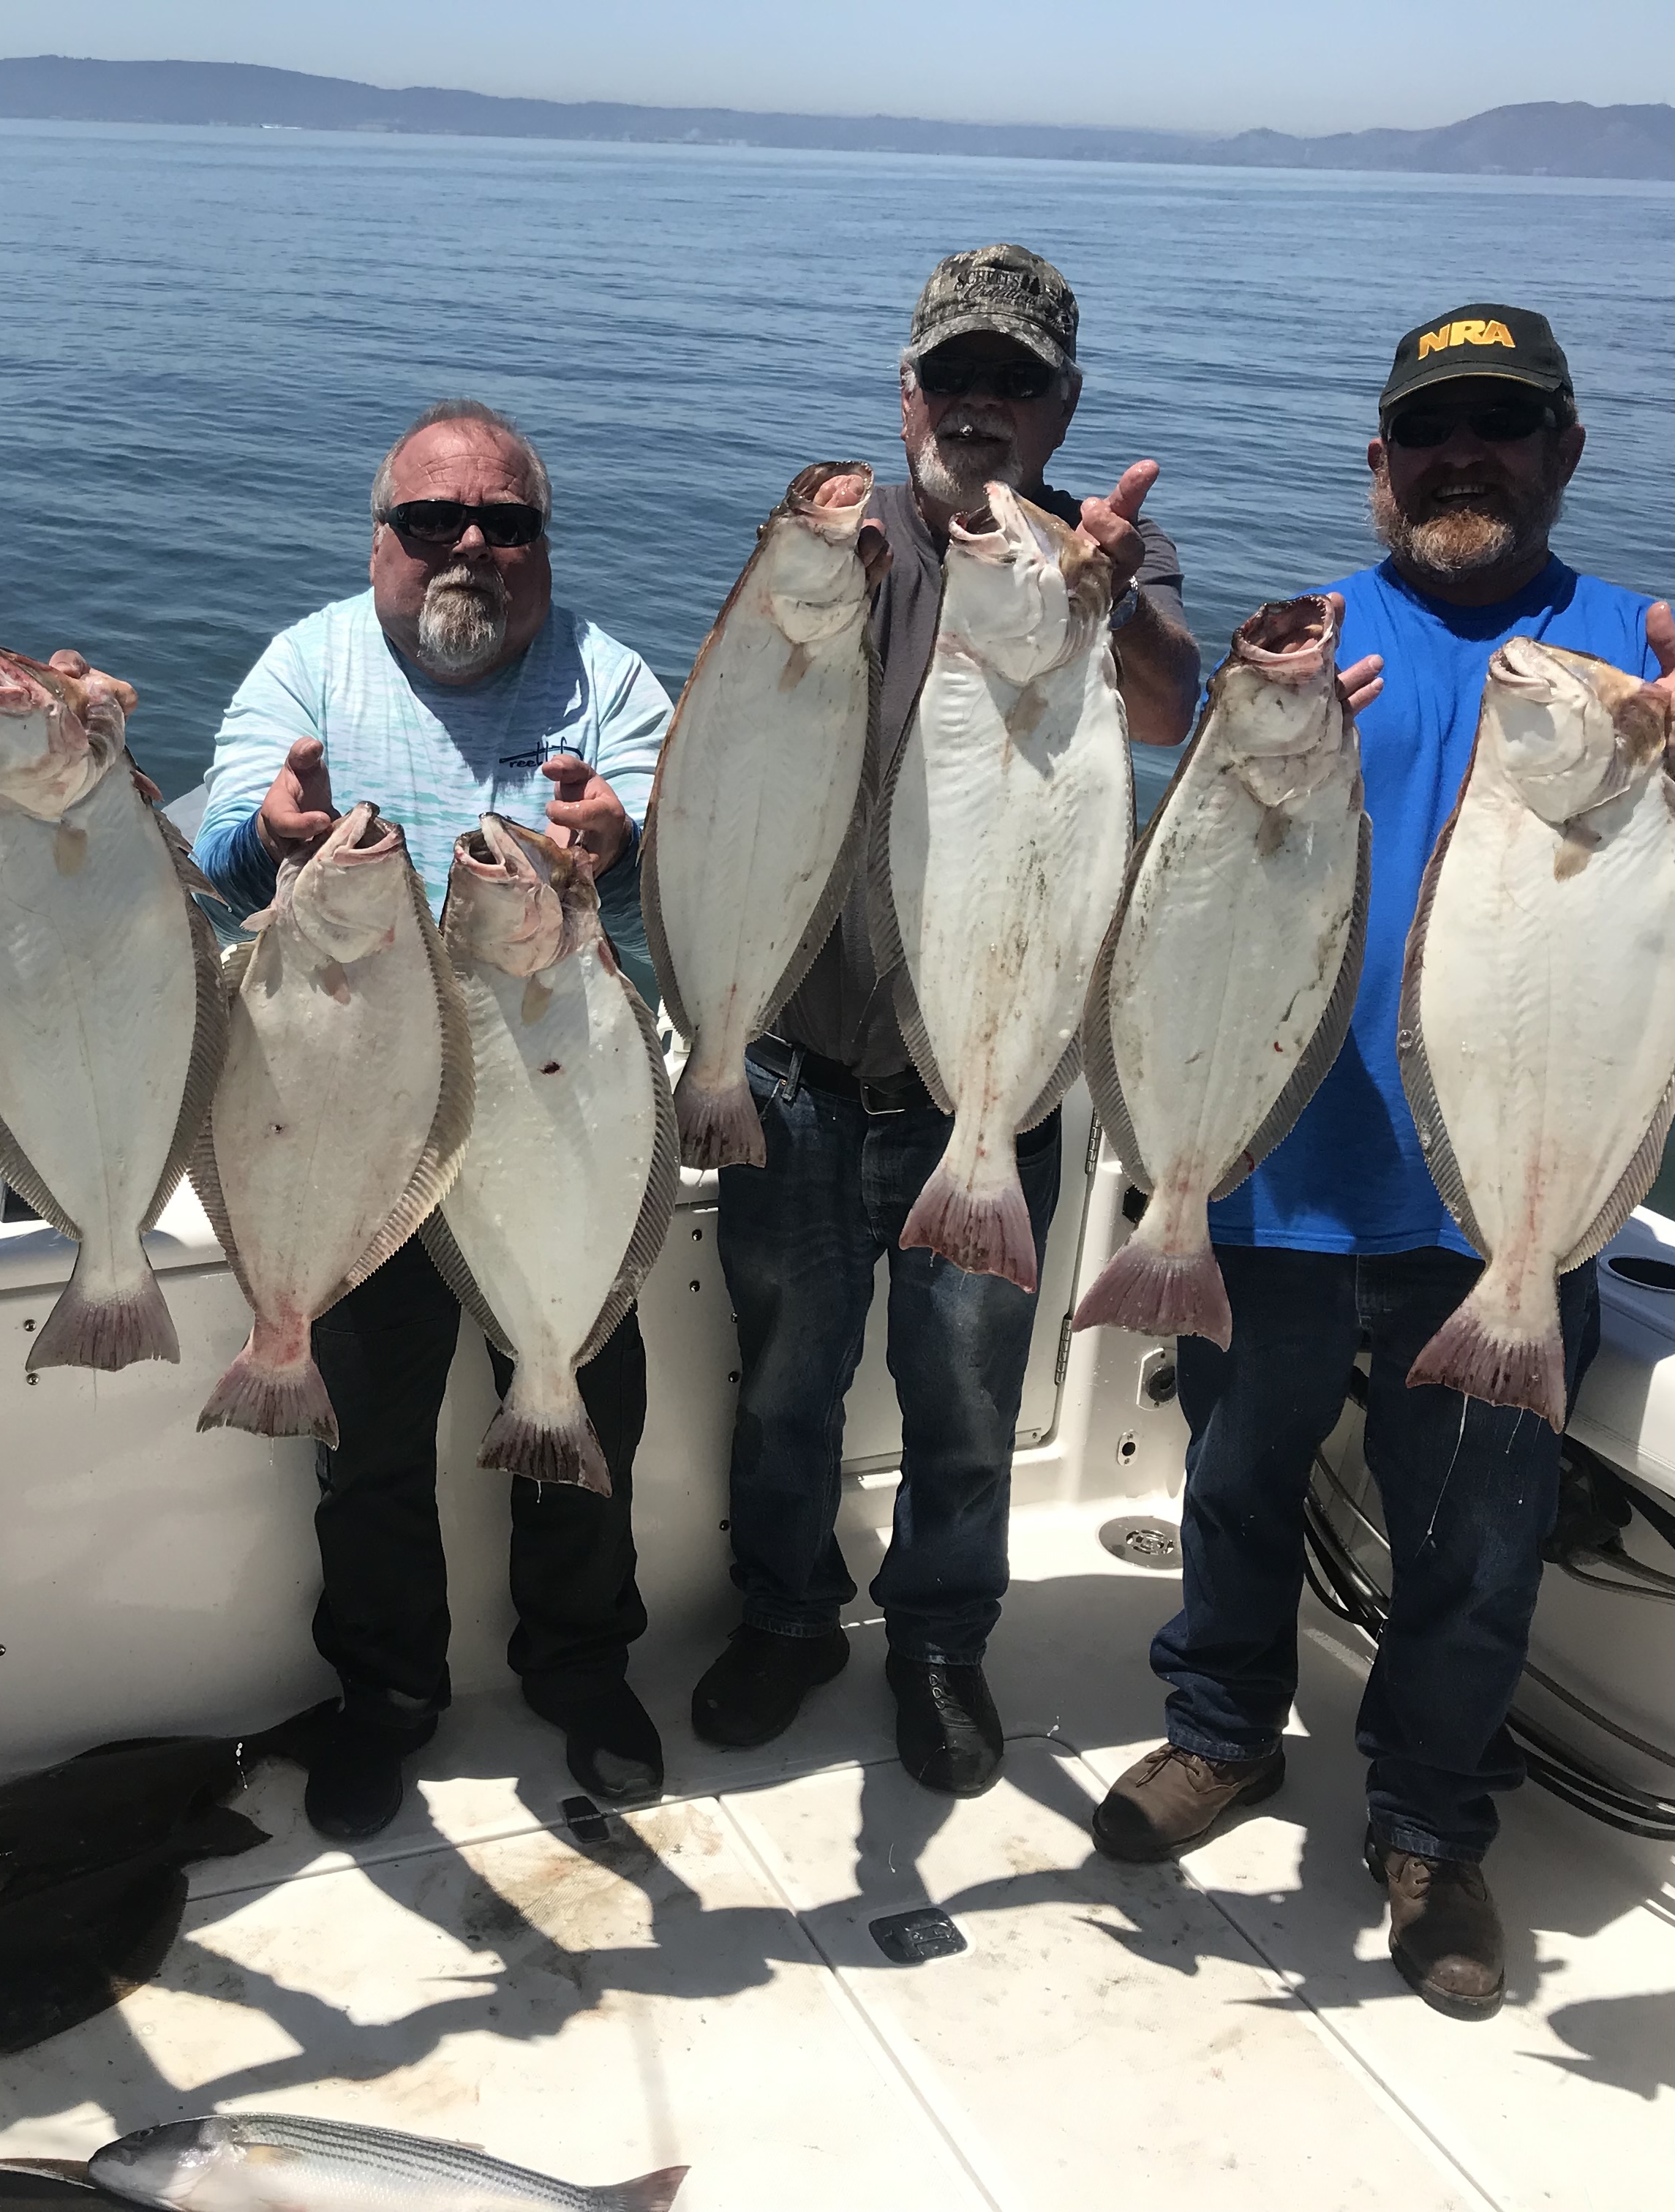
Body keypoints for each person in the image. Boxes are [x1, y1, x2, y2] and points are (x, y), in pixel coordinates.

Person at [1090, 302, 1675, 2020]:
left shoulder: (1638, 654)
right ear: (1381, 462)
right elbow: (1185, 803)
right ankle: (1221, 1736)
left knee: (1474, 1550)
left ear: (1564, 449)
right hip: (1273, 1178)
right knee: (1237, 1488)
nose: (1459, 456)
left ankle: (1428, 1829)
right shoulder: (1319, 633)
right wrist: (1126, 613)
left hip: (1504, 1207)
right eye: (1429, 430)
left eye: (1501, 425)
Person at [690, 245, 1202, 1798]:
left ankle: (937, 1644)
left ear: (1061, 408)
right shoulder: (830, 546)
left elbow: (1175, 706)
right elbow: (727, 741)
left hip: (983, 1075)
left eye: (1014, 383)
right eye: (954, 377)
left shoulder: (1108, 558)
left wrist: (1108, 607)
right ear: (905, 390)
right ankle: (786, 1616)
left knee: (965, 1393)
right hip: (799, 1058)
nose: (978, 409)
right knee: (785, 1375)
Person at [193, 399, 675, 1841]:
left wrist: (622, 839)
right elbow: (224, 829)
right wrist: (266, 838)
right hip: (362, 1134)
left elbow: (662, 834)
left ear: (541, 542)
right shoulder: (309, 664)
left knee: (584, 1400)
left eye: (507, 523)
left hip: (565, 1120)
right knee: (371, 1447)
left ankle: (583, 1666)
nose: (472, 547)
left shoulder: (608, 678)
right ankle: (388, 1695)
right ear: (380, 541)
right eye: (433, 522)